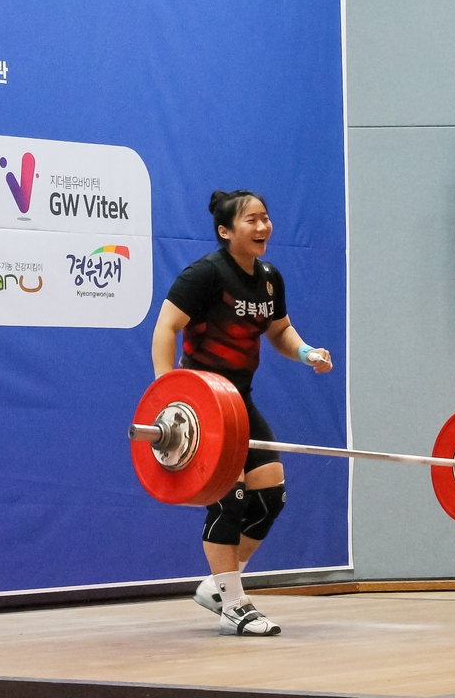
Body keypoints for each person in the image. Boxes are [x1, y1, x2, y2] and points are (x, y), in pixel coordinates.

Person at [150, 190, 332, 636]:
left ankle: (218, 586)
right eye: (251, 220)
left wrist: (307, 353)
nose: (263, 227)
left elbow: (280, 331)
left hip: (240, 403)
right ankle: (235, 602)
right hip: (204, 402)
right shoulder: (206, 275)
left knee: (268, 498)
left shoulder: (269, 278)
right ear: (225, 231)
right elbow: (165, 327)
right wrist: (167, 393)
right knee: (227, 500)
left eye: (266, 218)